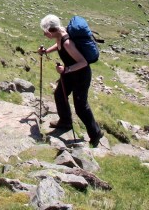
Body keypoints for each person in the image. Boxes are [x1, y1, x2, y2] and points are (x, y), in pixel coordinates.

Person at [38, 14, 103, 147]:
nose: (45, 35)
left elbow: (83, 62)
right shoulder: (60, 34)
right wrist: (46, 51)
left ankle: (95, 133)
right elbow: (58, 46)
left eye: (46, 32)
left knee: (80, 107)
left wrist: (65, 70)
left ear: (52, 30)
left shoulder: (67, 42)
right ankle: (65, 121)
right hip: (69, 72)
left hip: (81, 75)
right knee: (59, 95)